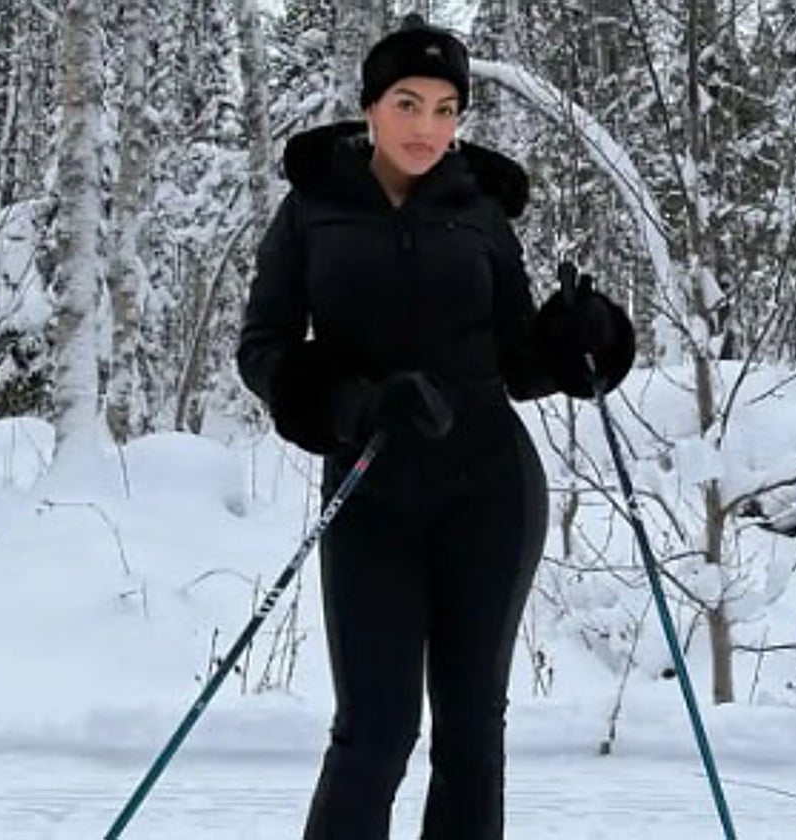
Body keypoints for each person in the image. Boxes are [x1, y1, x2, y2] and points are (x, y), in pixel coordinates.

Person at [236, 14, 634, 840]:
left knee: (470, 732)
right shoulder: (314, 208)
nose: (427, 127)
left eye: (446, 108)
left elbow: (518, 358)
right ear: (371, 107)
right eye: (408, 103)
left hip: (489, 489)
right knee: (375, 732)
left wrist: (577, 338)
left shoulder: (480, 209)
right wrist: (352, 404)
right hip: (369, 486)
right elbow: (263, 349)